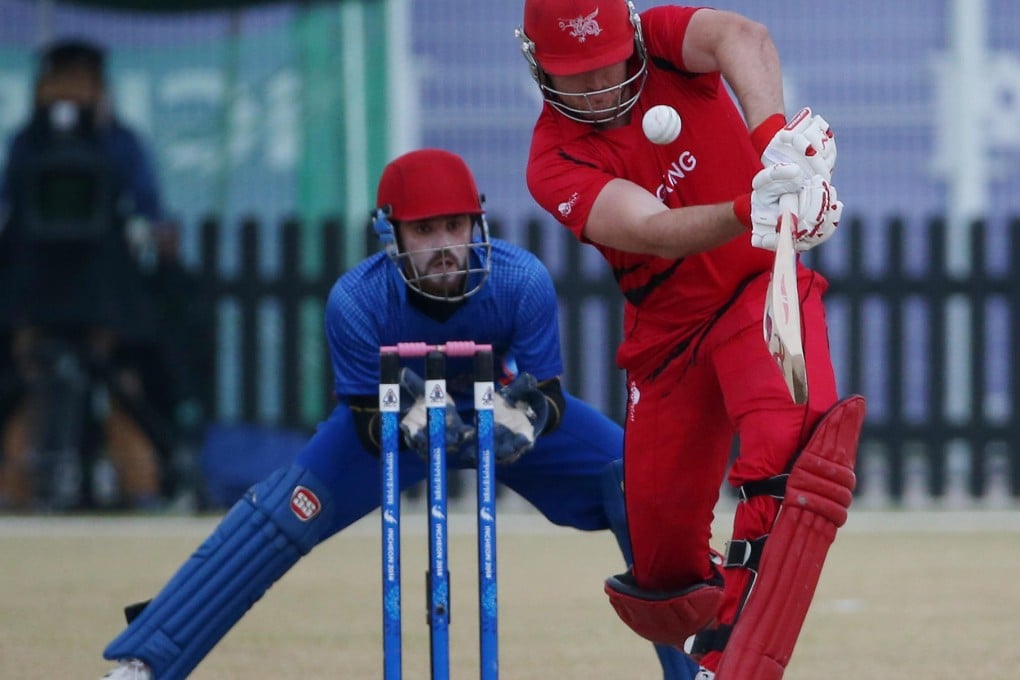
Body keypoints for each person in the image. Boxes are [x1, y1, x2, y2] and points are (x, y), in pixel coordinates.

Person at [100, 148, 703, 680]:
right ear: (389, 234)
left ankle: (704, 667)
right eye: (424, 230)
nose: (444, 246)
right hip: (391, 420)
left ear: (478, 223)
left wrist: (523, 417)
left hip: (498, 411)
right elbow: (364, 416)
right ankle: (147, 659)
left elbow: (544, 394)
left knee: (640, 481)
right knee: (282, 511)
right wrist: (415, 419)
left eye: (454, 225)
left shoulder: (522, 280)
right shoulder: (357, 300)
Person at [516, 1, 866, 677]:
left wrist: (775, 146)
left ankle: (732, 659)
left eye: (603, 64)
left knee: (784, 467)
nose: (593, 88)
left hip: (758, 294)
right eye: (572, 73)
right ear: (537, 65)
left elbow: (743, 36)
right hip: (665, 339)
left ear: (630, 36)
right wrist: (753, 207)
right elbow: (647, 228)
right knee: (664, 582)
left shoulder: (664, 40)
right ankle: (716, 623)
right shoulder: (550, 160)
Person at [0, 38, 169, 510]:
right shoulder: (24, 143)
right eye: (60, 79)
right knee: (25, 383)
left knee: (119, 380)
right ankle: (18, 487)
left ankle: (142, 485)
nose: (69, 90)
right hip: (34, 286)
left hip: (101, 289)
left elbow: (150, 208)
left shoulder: (119, 141)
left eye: (80, 80)